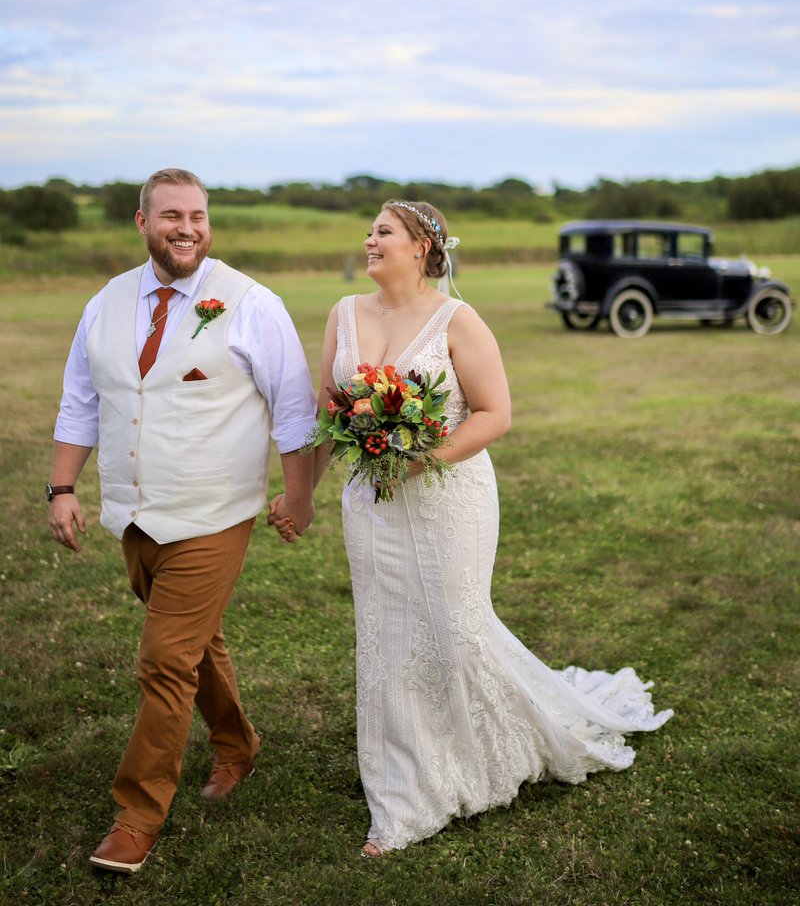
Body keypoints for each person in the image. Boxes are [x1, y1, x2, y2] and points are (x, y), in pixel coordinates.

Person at [314, 200, 673, 857]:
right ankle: (402, 790)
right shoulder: (344, 314)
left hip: (449, 496)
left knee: (454, 629)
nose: (370, 240)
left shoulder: (459, 319)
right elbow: (327, 413)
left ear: (422, 246)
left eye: (384, 232)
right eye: (369, 231)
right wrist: (300, 494)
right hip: (371, 504)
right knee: (388, 634)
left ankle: (488, 750)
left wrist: (418, 458)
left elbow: (494, 413)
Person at [48, 168, 317, 875]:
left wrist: (300, 497)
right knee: (195, 642)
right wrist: (61, 487)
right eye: (171, 215)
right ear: (143, 223)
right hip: (136, 513)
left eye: (198, 215)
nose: (187, 228)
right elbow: (82, 400)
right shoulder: (104, 303)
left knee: (165, 659)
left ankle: (137, 816)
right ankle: (238, 746)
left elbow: (293, 411)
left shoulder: (253, 303)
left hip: (214, 512)